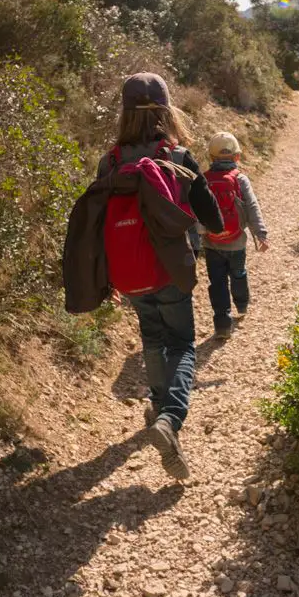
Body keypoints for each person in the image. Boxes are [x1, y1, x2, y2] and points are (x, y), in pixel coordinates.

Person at [96, 73, 223, 480]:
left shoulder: (110, 162)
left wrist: (107, 277)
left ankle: (157, 404)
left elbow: (96, 223)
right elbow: (211, 217)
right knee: (182, 343)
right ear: (166, 111)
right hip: (170, 271)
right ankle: (170, 418)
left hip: (130, 276)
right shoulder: (179, 158)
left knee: (152, 338)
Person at [202, 131, 269, 339]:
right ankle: (241, 304)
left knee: (218, 283)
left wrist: (196, 238)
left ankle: (222, 325)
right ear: (237, 157)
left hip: (212, 244)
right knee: (238, 274)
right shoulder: (240, 179)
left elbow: (196, 212)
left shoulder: (203, 180)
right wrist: (261, 233)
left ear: (211, 158)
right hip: (237, 242)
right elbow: (252, 207)